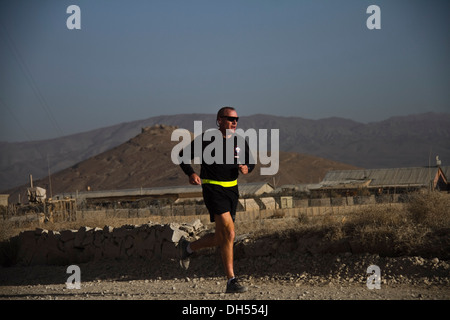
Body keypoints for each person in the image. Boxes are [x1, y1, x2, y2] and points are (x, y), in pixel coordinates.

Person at [178, 106, 254, 293]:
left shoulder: (239, 141)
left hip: (232, 190)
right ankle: (231, 280)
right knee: (230, 233)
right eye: (230, 118)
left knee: (221, 237)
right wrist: (191, 173)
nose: (234, 122)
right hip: (213, 188)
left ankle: (188, 247)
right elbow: (182, 156)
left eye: (236, 119)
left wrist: (246, 168)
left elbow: (250, 162)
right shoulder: (206, 139)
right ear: (219, 120)